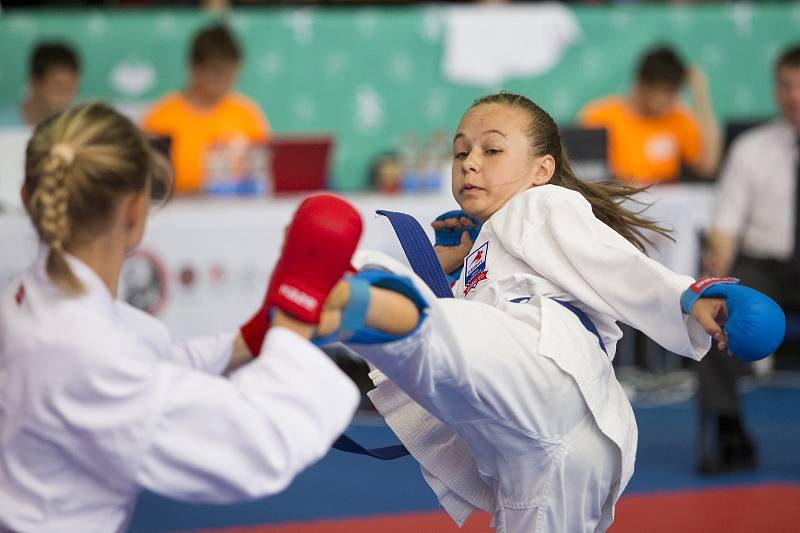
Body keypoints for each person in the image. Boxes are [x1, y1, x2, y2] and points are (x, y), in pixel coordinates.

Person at [314, 92, 780, 533]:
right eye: (461, 153)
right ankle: (347, 299)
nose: (470, 162)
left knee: (406, 306)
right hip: (543, 450)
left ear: (542, 169)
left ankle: (343, 287)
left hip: (549, 369)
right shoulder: (489, 242)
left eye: (492, 150)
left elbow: (613, 262)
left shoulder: (544, 203)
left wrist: (690, 295)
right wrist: (443, 270)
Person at [0, 102, 365, 532]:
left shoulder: (32, 297)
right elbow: (254, 442)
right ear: (135, 213)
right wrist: (296, 306)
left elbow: (150, 361)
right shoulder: (83, 350)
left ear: (29, 197)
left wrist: (253, 336)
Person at [697, 43, 800, 473]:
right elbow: (725, 227)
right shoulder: (751, 149)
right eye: (785, 85)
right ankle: (728, 429)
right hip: (765, 265)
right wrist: (713, 279)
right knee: (720, 306)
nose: (793, 95)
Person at [142, 23, 269, 194]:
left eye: (231, 73)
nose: (225, 81)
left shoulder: (247, 114)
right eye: (217, 72)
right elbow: (148, 185)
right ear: (193, 68)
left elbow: (263, 174)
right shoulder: (160, 117)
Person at [579, 45, 721, 185]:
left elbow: (707, 167)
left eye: (675, 92)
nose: (671, 99)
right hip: (617, 200)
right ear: (642, 85)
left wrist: (701, 97)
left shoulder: (678, 118)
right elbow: (588, 175)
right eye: (665, 91)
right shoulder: (600, 116)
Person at [19, 41, 81, 127]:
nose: (66, 97)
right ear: (35, 82)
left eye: (71, 88)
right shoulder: (4, 124)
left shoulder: (78, 130)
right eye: (59, 86)